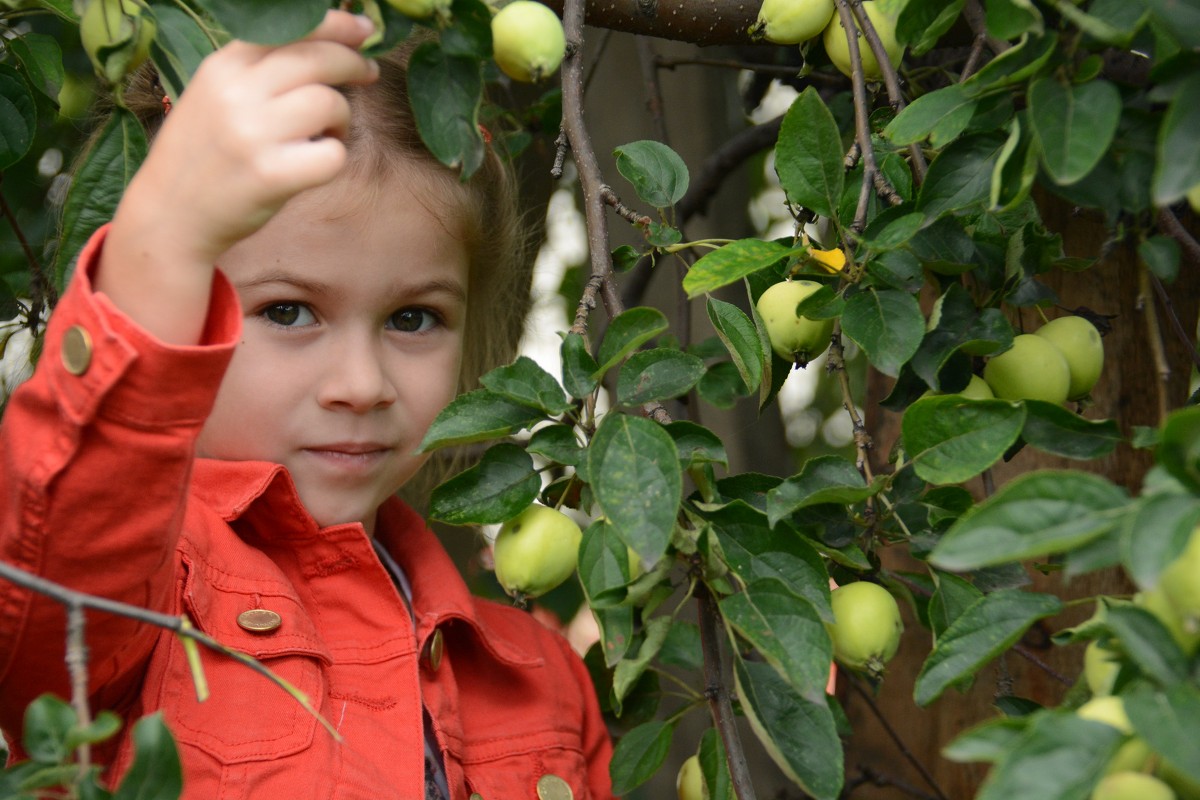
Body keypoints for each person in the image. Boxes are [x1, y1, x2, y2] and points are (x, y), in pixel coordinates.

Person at [0, 11, 614, 799]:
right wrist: (165, 238)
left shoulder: (543, 685)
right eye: (288, 311)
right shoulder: (135, 616)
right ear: (183, 308)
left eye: (413, 318)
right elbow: (59, 588)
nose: (361, 383)